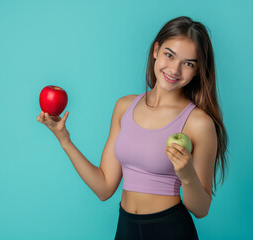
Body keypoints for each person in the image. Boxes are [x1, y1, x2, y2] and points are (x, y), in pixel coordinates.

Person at [37, 16, 228, 240]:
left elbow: (201, 209)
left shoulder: (199, 123)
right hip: (125, 227)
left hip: (171, 229)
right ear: (156, 50)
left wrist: (187, 176)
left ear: (196, 71)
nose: (175, 69)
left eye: (188, 63)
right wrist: (64, 139)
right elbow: (104, 188)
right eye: (169, 55)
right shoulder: (124, 106)